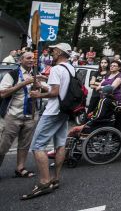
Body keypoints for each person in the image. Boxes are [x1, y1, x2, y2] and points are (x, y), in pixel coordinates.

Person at [21, 42, 75, 200]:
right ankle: (55, 178)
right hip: (65, 110)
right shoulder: (71, 68)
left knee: (37, 146)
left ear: (60, 52)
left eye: (54, 50)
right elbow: (60, 91)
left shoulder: (57, 69)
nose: (52, 52)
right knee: (60, 144)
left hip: (53, 112)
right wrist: (44, 85)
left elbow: (55, 93)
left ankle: (44, 182)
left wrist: (38, 95)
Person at [0, 51, 38, 179]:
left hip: (30, 116)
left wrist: (40, 86)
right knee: (2, 145)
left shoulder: (35, 75)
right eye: (28, 58)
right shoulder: (12, 74)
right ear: (20, 60)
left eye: (32, 58)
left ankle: (20, 168)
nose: (31, 60)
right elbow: (3, 93)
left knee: (24, 144)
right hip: (12, 115)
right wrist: (23, 83)